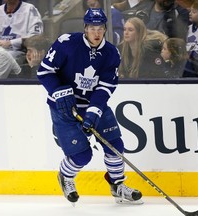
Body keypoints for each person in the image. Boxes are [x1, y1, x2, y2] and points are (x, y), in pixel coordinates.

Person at [37, 8, 143, 204]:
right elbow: (44, 72)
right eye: (92, 28)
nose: (97, 33)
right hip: (63, 107)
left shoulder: (111, 53)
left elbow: (106, 86)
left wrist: (94, 111)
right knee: (82, 155)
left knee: (115, 146)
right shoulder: (66, 43)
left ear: (105, 29)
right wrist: (60, 93)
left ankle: (117, 185)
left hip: (92, 104)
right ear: (85, 28)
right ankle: (65, 176)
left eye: (100, 28)